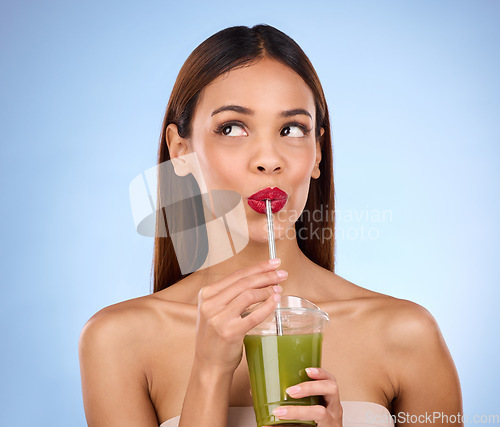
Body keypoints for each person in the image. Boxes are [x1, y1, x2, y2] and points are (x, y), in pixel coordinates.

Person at [79, 24, 463, 427]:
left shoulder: (406, 335)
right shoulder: (117, 342)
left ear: (317, 153)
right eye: (232, 128)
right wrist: (209, 371)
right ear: (181, 152)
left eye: (292, 129)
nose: (268, 159)